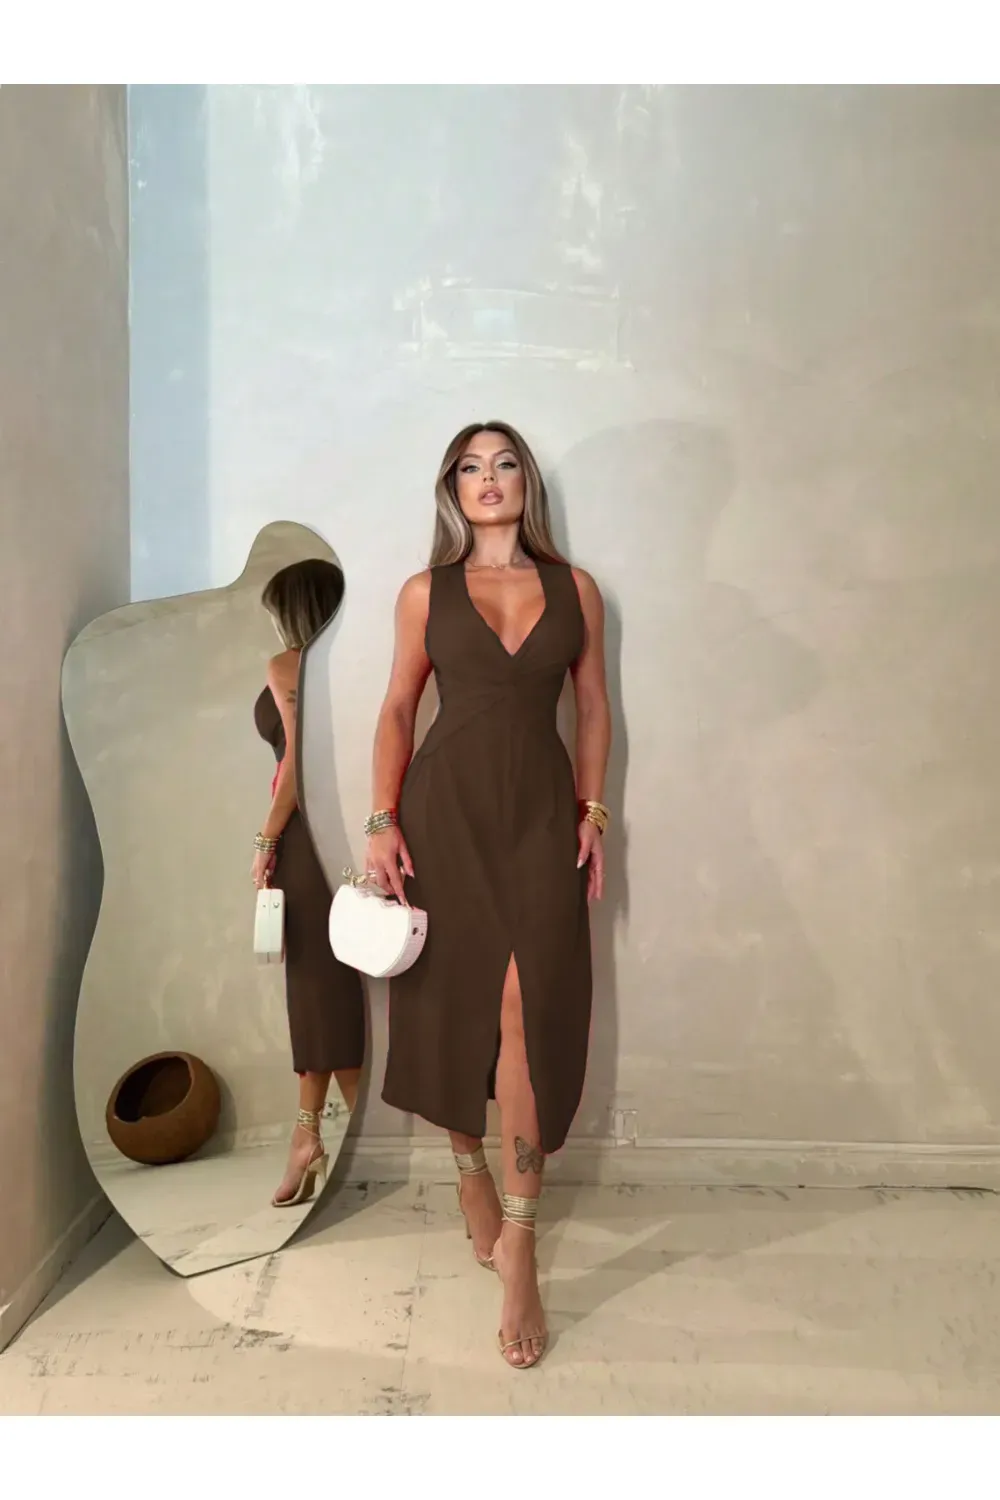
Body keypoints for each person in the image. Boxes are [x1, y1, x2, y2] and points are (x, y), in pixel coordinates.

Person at [367, 423, 611, 1368]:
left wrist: (593, 811)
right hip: (447, 812)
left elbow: (592, 704)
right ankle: (469, 1169)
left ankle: (522, 1245)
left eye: (504, 463)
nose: (489, 479)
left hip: (540, 816)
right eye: (470, 468)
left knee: (526, 1007)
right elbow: (398, 706)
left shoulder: (575, 589)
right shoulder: (424, 592)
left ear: (526, 483)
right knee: (453, 1000)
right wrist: (383, 821)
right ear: (453, 490)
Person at [252, 558, 365, 1208]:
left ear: (294, 612)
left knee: (323, 990)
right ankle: (309, 1136)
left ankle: (349, 1143)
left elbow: (297, 764)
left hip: (304, 840)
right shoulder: (349, 673)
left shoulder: (287, 664)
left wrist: (266, 838)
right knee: (321, 989)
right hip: (343, 835)